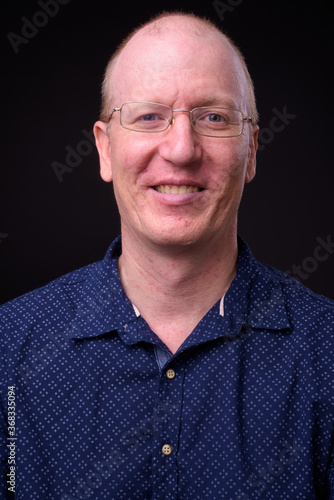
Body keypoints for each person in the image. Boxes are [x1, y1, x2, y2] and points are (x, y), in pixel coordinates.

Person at [1, 10, 333, 500]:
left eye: (214, 117)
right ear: (105, 150)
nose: (181, 149)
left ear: (253, 151)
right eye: (149, 116)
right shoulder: (8, 349)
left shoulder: (327, 353)